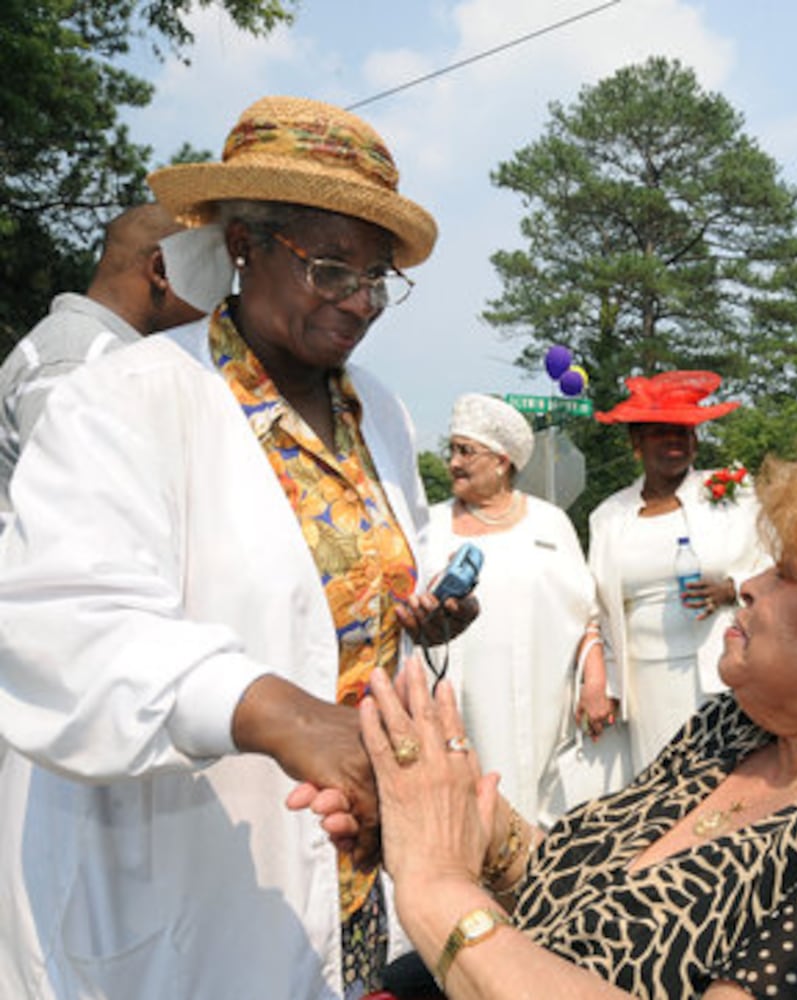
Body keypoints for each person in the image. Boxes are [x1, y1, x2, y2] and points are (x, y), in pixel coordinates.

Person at [295, 411, 797, 999]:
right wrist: (451, 817)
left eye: (791, 575)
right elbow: (595, 897)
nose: (748, 584)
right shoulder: (735, 731)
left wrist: (439, 894)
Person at [0, 95, 469, 999]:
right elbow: (57, 617)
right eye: (332, 269)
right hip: (175, 882)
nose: (360, 304)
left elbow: (348, 592)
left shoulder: (379, 408)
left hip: (344, 872)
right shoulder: (129, 396)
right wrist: (276, 713)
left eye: (378, 279)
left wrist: (418, 623)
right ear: (245, 245)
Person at [423, 392, 610, 822]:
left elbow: (585, 611)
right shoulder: (427, 525)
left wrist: (595, 681)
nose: (453, 463)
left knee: (527, 808)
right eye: (451, 450)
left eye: (465, 451)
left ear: (502, 461)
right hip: (450, 704)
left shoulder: (549, 523)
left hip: (536, 706)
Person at [586, 369, 770, 771]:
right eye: (661, 432)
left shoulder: (732, 491)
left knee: (726, 779)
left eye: (684, 432)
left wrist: (732, 588)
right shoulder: (608, 516)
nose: (675, 441)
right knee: (660, 782)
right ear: (636, 442)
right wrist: (606, 683)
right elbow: (596, 607)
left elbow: (777, 564)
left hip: (721, 670)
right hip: (645, 679)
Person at [0, 202, 203, 511]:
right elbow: (71, 522)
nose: (222, 304)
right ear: (161, 270)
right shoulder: (79, 360)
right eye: (212, 278)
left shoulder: (103, 357)